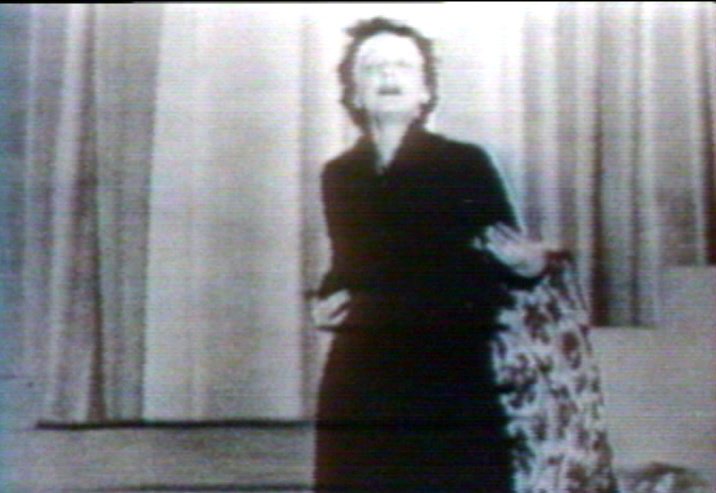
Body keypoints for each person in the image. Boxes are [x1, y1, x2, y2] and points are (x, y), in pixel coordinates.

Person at [311, 17, 547, 492]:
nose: (388, 75)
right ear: (354, 93)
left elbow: (509, 257)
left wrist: (529, 265)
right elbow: (348, 265)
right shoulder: (339, 173)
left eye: (403, 65)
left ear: (425, 91)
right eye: (373, 67)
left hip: (447, 363)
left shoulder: (464, 162)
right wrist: (324, 302)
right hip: (361, 363)